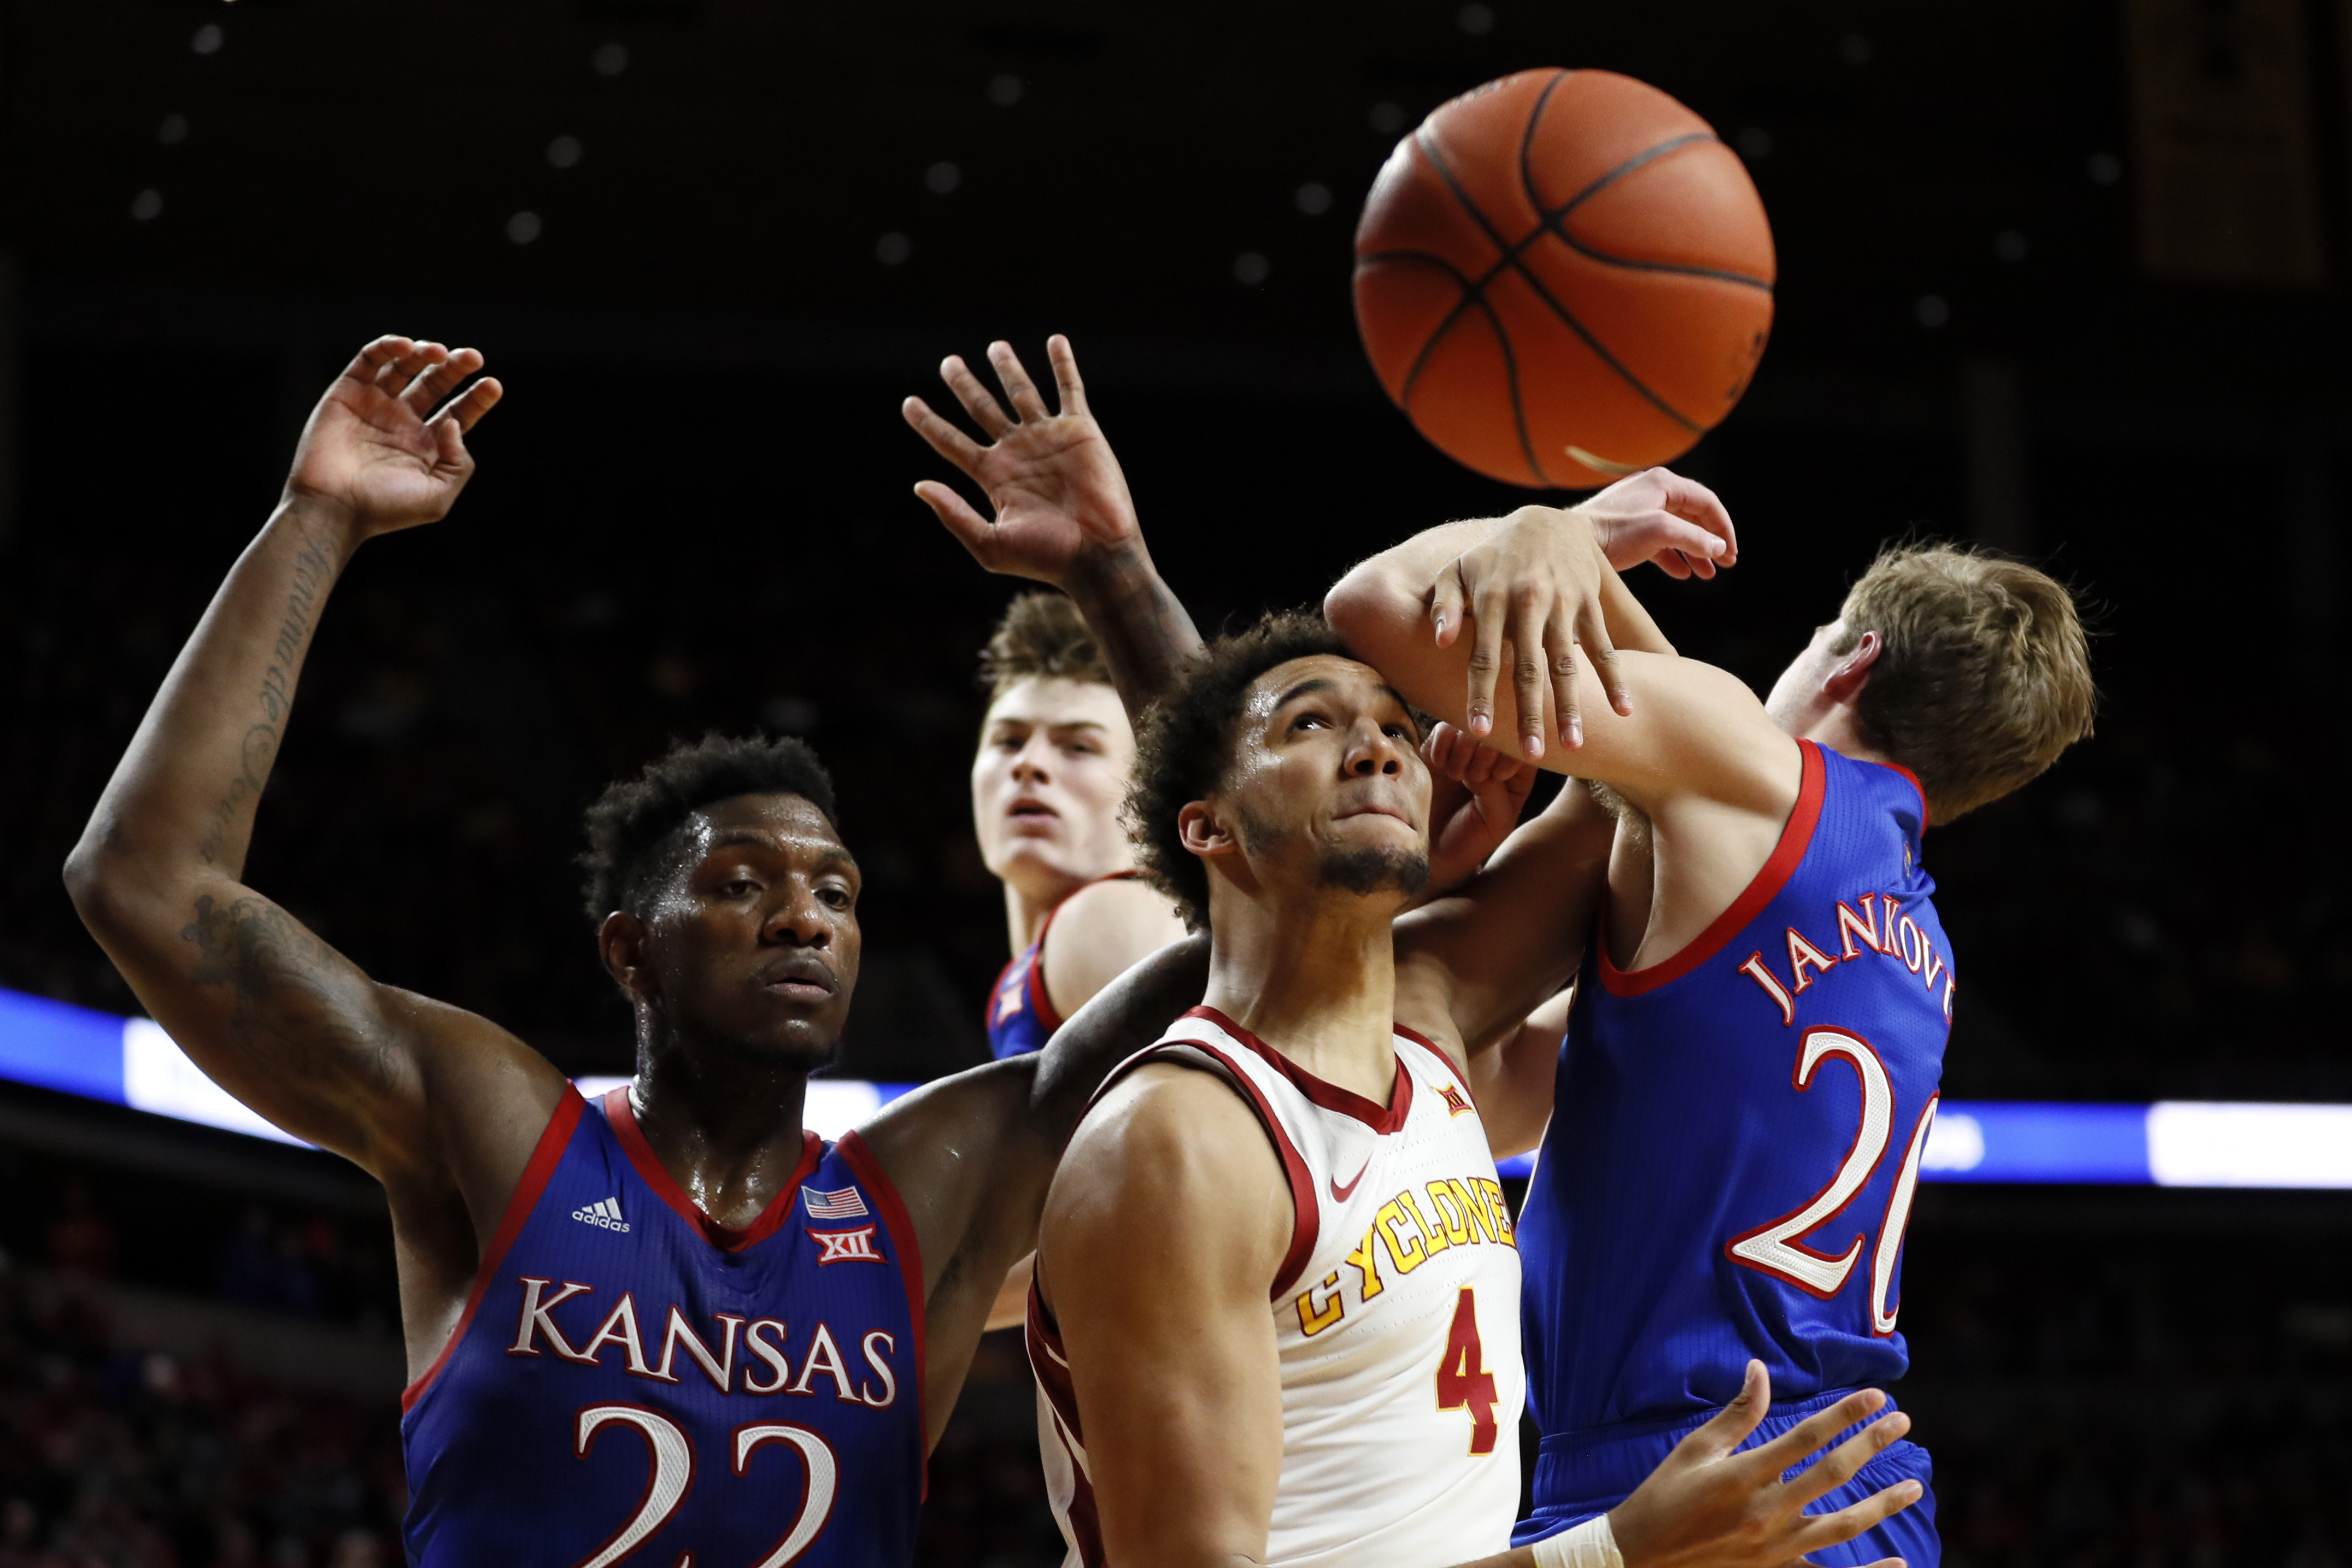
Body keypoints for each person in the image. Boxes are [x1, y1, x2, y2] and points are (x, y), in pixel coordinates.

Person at [62, 336, 1209, 1568]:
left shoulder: (924, 1190)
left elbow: (1268, 925)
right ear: (629, 951)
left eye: (837, 890)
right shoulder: (498, 1127)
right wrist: (315, 519)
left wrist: (1114, 572)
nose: (802, 915)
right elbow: (143, 882)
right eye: (739, 885)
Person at [1023, 612, 1923, 1568]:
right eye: (1310, 724)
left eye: (1399, 731)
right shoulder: (1177, 1138)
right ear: (1206, 823)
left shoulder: (1425, 1040)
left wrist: (1565, 542)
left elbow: (1653, 767)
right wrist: (1611, 1553)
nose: (1374, 747)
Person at [1324, 480, 2097, 1567]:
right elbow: (1495, 1100)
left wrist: (1563, 530)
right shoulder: (1915, 947)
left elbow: (1377, 604)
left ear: (1852, 655)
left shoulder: (1750, 768)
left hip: (1694, 1481)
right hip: (1857, 1496)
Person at [966, 592, 1187, 1063]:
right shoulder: (1039, 961)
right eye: (1009, 740)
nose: (1029, 763)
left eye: (1078, 747)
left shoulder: (1110, 915)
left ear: (1145, 790)